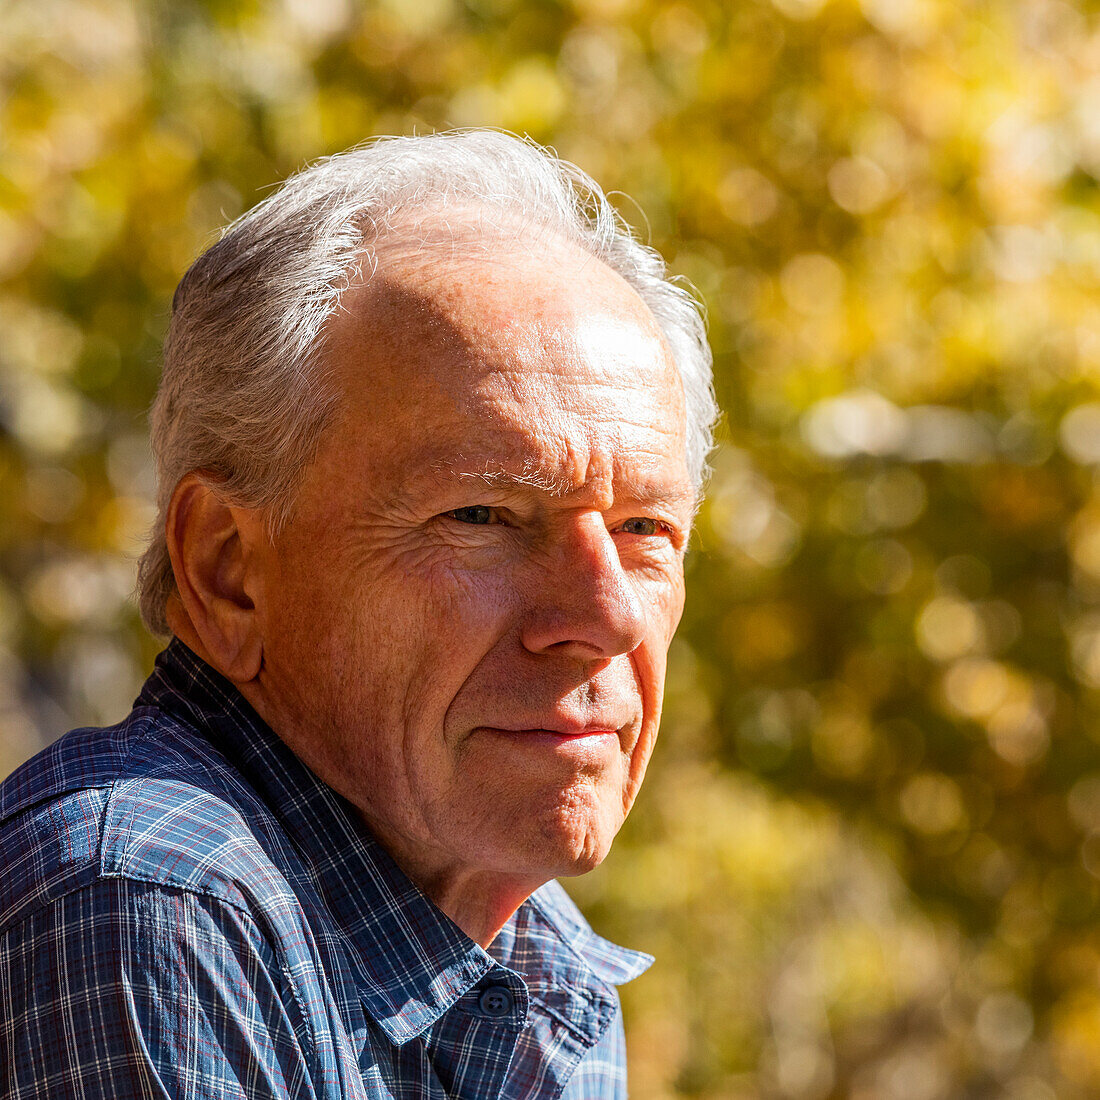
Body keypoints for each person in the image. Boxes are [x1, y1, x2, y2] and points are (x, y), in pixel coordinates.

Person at [0, 130, 715, 1098]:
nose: (604, 612)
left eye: (643, 530)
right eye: (483, 516)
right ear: (226, 571)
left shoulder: (543, 964)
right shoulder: (150, 898)